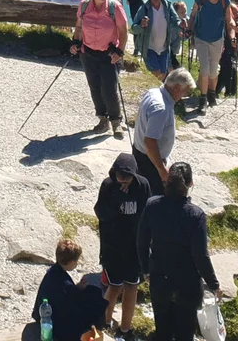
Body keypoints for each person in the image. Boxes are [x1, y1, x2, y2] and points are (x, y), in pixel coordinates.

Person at [137, 162, 220, 341]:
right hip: (187, 283)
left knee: (162, 331)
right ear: (190, 184)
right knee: (184, 332)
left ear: (167, 181)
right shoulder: (196, 215)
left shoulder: (152, 205)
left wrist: (145, 270)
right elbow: (200, 255)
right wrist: (213, 284)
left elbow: (141, 241)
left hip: (159, 277)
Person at [95, 153, 151, 334]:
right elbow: (101, 213)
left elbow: (148, 215)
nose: (124, 182)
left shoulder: (142, 186)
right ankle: (105, 323)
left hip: (134, 248)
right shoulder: (108, 186)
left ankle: (125, 329)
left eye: (127, 179)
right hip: (113, 248)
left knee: (132, 286)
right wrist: (117, 198)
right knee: (114, 286)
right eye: (120, 178)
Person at [71, 0, 129, 136]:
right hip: (87, 52)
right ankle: (103, 120)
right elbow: (79, 26)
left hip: (108, 54)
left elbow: (124, 31)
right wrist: (76, 42)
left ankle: (116, 121)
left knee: (109, 89)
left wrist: (120, 51)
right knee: (94, 87)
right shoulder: (83, 6)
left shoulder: (114, 7)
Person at [25, 237, 109, 341]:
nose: (77, 263)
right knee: (94, 298)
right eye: (76, 261)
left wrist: (78, 288)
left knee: (91, 293)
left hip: (42, 315)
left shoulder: (53, 271)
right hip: (55, 321)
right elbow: (72, 299)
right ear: (69, 262)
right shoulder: (64, 282)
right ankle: (98, 326)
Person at [133, 68, 195, 193]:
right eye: (185, 91)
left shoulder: (153, 92)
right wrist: (161, 169)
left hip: (141, 153)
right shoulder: (161, 108)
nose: (184, 96)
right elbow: (150, 142)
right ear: (177, 87)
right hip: (149, 162)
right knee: (153, 195)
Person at [184, 0, 229, 110]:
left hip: (217, 39)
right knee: (205, 68)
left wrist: (233, 32)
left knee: (214, 70)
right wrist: (189, 29)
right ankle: (203, 99)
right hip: (201, 37)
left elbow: (228, 19)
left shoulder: (224, 1)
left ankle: (212, 94)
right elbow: (192, 15)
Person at [133, 0, 181, 79]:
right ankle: (154, 91)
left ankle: (156, 91)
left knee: (163, 74)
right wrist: (142, 26)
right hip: (149, 47)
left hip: (164, 48)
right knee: (156, 72)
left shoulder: (167, 6)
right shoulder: (144, 8)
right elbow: (134, 28)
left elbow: (176, 20)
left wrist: (180, 25)